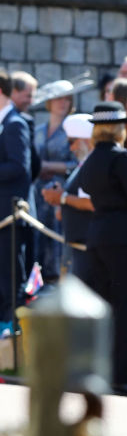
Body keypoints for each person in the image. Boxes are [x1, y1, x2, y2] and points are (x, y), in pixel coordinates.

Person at [76, 102, 127, 394]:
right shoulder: (122, 158)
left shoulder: (92, 159)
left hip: (98, 236)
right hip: (124, 239)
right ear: (120, 127)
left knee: (104, 309)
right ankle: (122, 376)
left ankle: (101, 373)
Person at [29, 80, 80, 283]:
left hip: (60, 191)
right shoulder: (39, 130)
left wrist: (49, 166)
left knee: (57, 242)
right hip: (37, 193)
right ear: (49, 101)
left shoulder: (72, 129)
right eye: (59, 98)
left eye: (67, 98)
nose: (63, 102)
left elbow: (78, 163)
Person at [41, 113, 94, 280]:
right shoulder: (84, 163)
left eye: (72, 142)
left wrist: (62, 198)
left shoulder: (92, 164)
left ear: (85, 140)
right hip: (77, 244)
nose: (71, 148)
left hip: (86, 246)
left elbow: (91, 203)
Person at [0, 69, 32, 328]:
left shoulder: (14, 123)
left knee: (11, 282)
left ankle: (15, 347)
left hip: (10, 216)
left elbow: (20, 166)